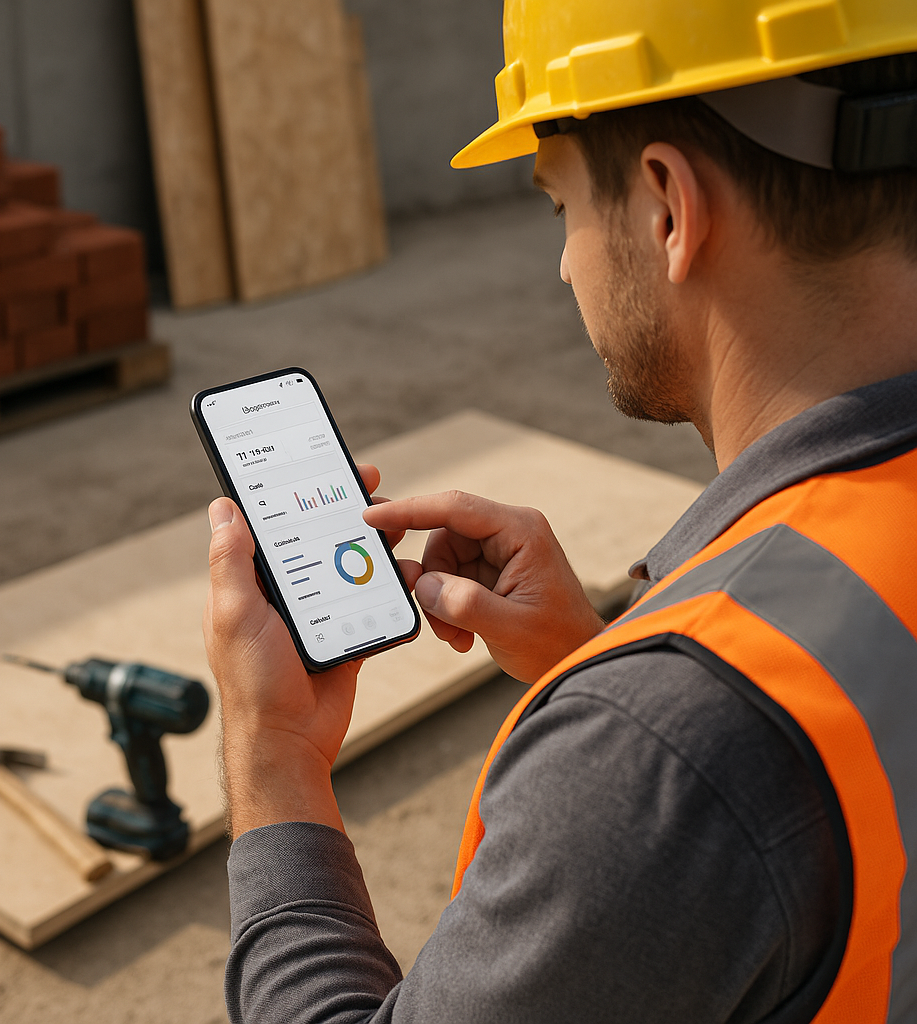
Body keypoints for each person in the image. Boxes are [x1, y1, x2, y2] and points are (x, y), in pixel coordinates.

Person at [203, 3, 917, 1021]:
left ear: (667, 206)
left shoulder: (658, 750)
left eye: (560, 207)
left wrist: (272, 750)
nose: (566, 264)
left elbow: (711, 783)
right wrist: (596, 655)